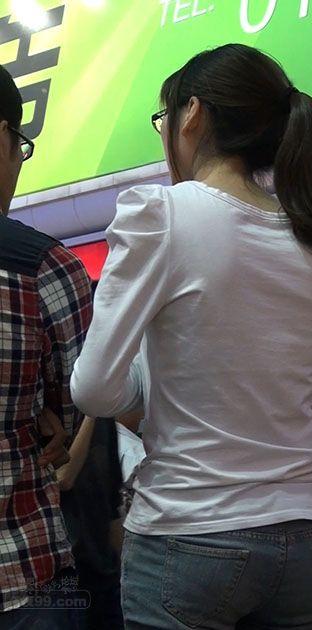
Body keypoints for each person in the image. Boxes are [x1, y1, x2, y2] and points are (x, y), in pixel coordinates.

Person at [70, 43, 312, 629]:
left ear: (193, 114)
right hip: (304, 536)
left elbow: (95, 388)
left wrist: (151, 392)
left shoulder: (163, 215)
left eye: (165, 118)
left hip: (189, 530)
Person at [0, 66, 92, 626]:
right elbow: (82, 399)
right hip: (22, 569)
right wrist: (39, 415)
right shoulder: (44, 267)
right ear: (3, 138)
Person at [59, 417, 124, 630]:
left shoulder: (102, 419)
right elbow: (63, 478)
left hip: (105, 572)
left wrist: (123, 570)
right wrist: (91, 412)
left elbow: (113, 502)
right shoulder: (36, 414)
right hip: (66, 579)